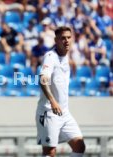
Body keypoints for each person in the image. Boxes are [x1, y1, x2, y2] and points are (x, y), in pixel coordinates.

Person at [36, 26, 86, 157]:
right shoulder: (50, 56)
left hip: (64, 113)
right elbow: (42, 79)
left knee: (79, 145)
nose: (66, 41)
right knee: (50, 152)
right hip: (49, 112)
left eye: (69, 37)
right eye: (63, 38)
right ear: (56, 40)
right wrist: (53, 101)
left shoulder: (66, 56)